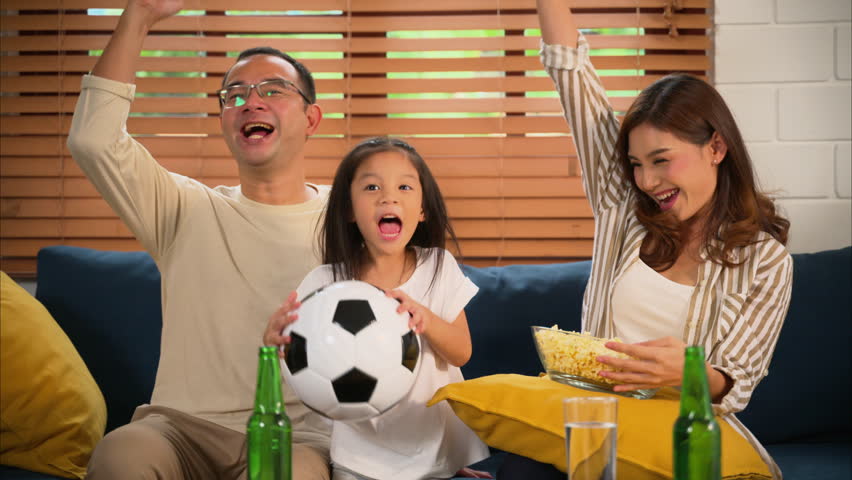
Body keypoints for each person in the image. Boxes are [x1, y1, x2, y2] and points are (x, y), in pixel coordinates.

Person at [498, 1, 794, 478]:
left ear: (715, 147)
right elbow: (571, 72)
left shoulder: (766, 261)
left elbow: (738, 380)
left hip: (681, 427)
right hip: (598, 416)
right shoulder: (622, 211)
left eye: (661, 160)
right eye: (636, 165)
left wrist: (689, 371)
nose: (647, 181)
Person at [66, 0, 334, 478]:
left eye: (273, 90)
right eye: (234, 94)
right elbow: (93, 140)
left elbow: (410, 317)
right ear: (225, 122)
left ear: (311, 119)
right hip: (179, 431)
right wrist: (140, 15)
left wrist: (429, 448)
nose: (251, 101)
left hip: (299, 439)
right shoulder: (183, 208)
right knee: (120, 455)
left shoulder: (350, 215)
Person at [263, 137, 492, 480]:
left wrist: (425, 318)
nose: (389, 196)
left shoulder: (438, 267)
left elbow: (461, 353)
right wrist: (273, 347)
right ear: (349, 211)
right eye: (372, 187)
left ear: (423, 209)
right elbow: (299, 374)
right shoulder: (324, 283)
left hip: (433, 453)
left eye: (404, 186)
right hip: (359, 460)